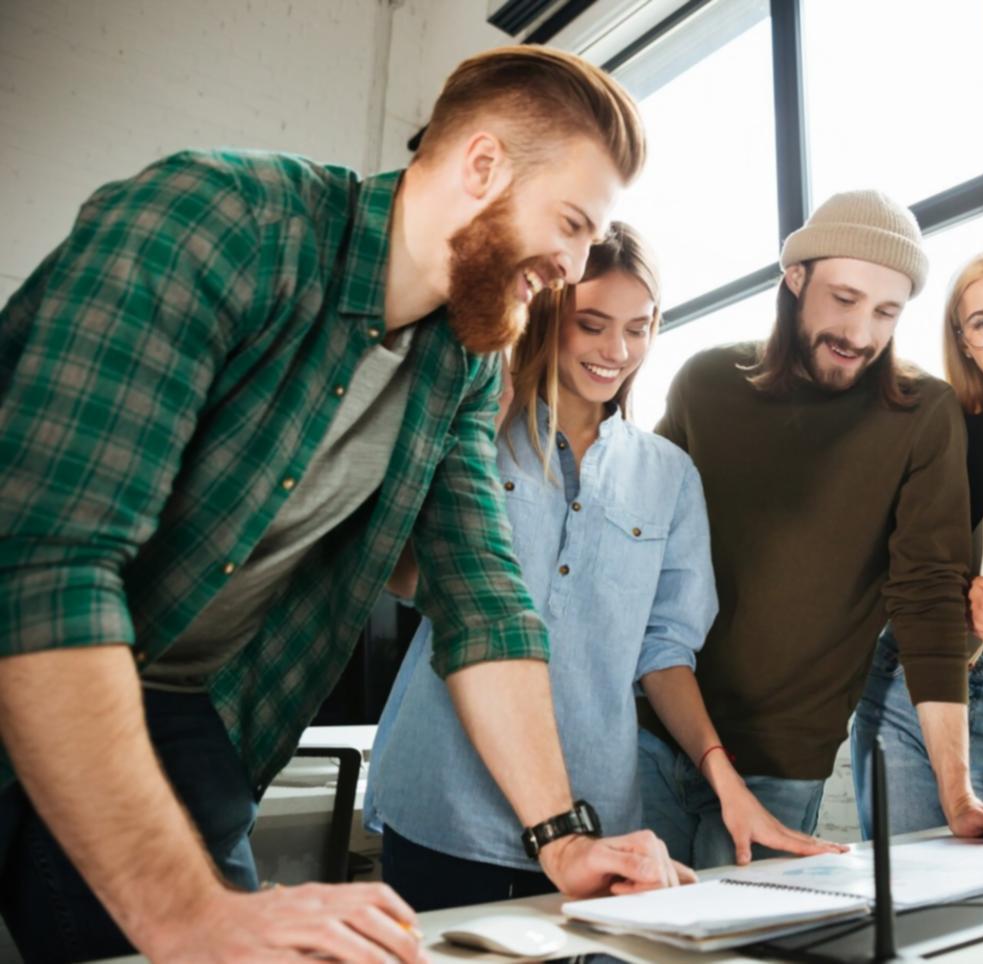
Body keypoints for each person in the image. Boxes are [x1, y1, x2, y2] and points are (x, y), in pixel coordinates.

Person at [0, 46, 687, 963]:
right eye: (569, 224)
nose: (569, 267)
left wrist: (561, 839)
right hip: (43, 641)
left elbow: (482, 601)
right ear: (482, 166)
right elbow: (46, 568)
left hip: (174, 702)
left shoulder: (466, 362)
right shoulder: (221, 222)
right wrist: (186, 915)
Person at [366, 222, 842, 910]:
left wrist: (724, 781)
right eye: (591, 324)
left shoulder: (669, 476)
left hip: (595, 813)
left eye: (638, 328)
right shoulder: (479, 428)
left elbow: (664, 652)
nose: (615, 351)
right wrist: (481, 417)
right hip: (443, 791)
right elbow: (401, 575)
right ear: (549, 314)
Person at [638, 192, 983, 870]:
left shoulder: (924, 412)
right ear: (794, 278)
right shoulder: (705, 382)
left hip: (783, 760)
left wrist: (958, 794)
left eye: (886, 311)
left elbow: (925, 596)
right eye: (844, 298)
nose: (860, 332)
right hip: (648, 732)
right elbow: (637, 547)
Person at [851, 244, 983, 837]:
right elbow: (893, 556)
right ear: (962, 340)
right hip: (905, 678)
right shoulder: (942, 424)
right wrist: (965, 592)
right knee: (907, 883)